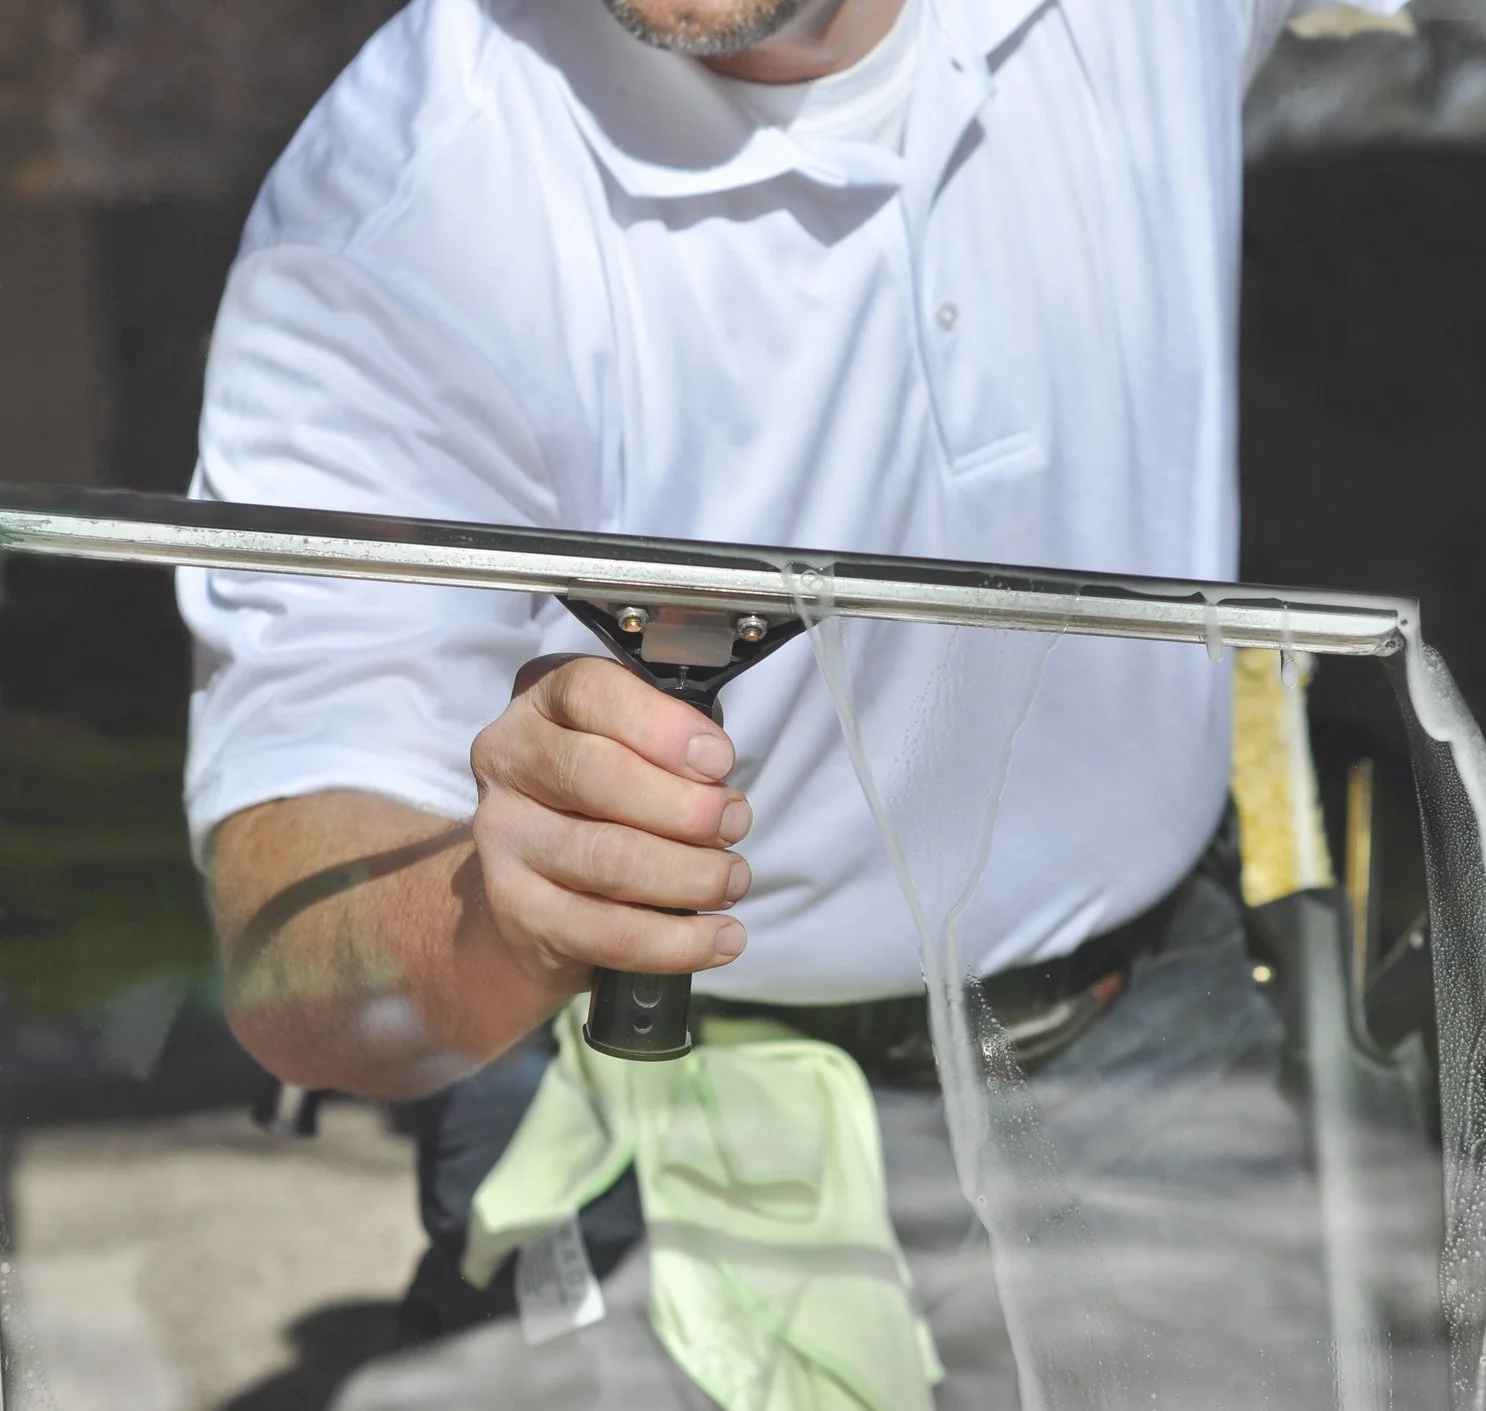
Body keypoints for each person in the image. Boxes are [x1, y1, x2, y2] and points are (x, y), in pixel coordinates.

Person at [182, 0, 1409, 1405]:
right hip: (635, 1093)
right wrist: (500, 910)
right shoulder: (397, 193)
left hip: (1137, 1055)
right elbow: (291, 946)